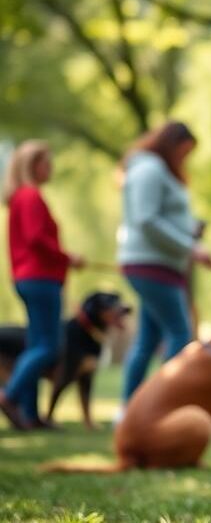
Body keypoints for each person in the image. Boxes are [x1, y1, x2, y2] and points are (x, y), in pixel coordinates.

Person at [117, 121, 211, 409]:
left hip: (159, 264)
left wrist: (190, 230)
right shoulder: (150, 170)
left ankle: (130, 408)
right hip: (151, 264)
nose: (185, 159)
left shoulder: (154, 170)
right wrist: (190, 247)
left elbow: (161, 217)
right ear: (172, 145)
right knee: (180, 333)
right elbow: (146, 220)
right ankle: (165, 404)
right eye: (184, 152)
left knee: (148, 340)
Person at [0, 140, 84, 430]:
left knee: (35, 345)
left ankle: (30, 414)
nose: (51, 167)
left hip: (27, 277)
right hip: (40, 278)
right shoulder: (31, 196)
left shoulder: (20, 198)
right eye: (47, 162)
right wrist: (67, 257)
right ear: (32, 165)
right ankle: (9, 396)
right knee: (49, 346)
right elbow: (37, 238)